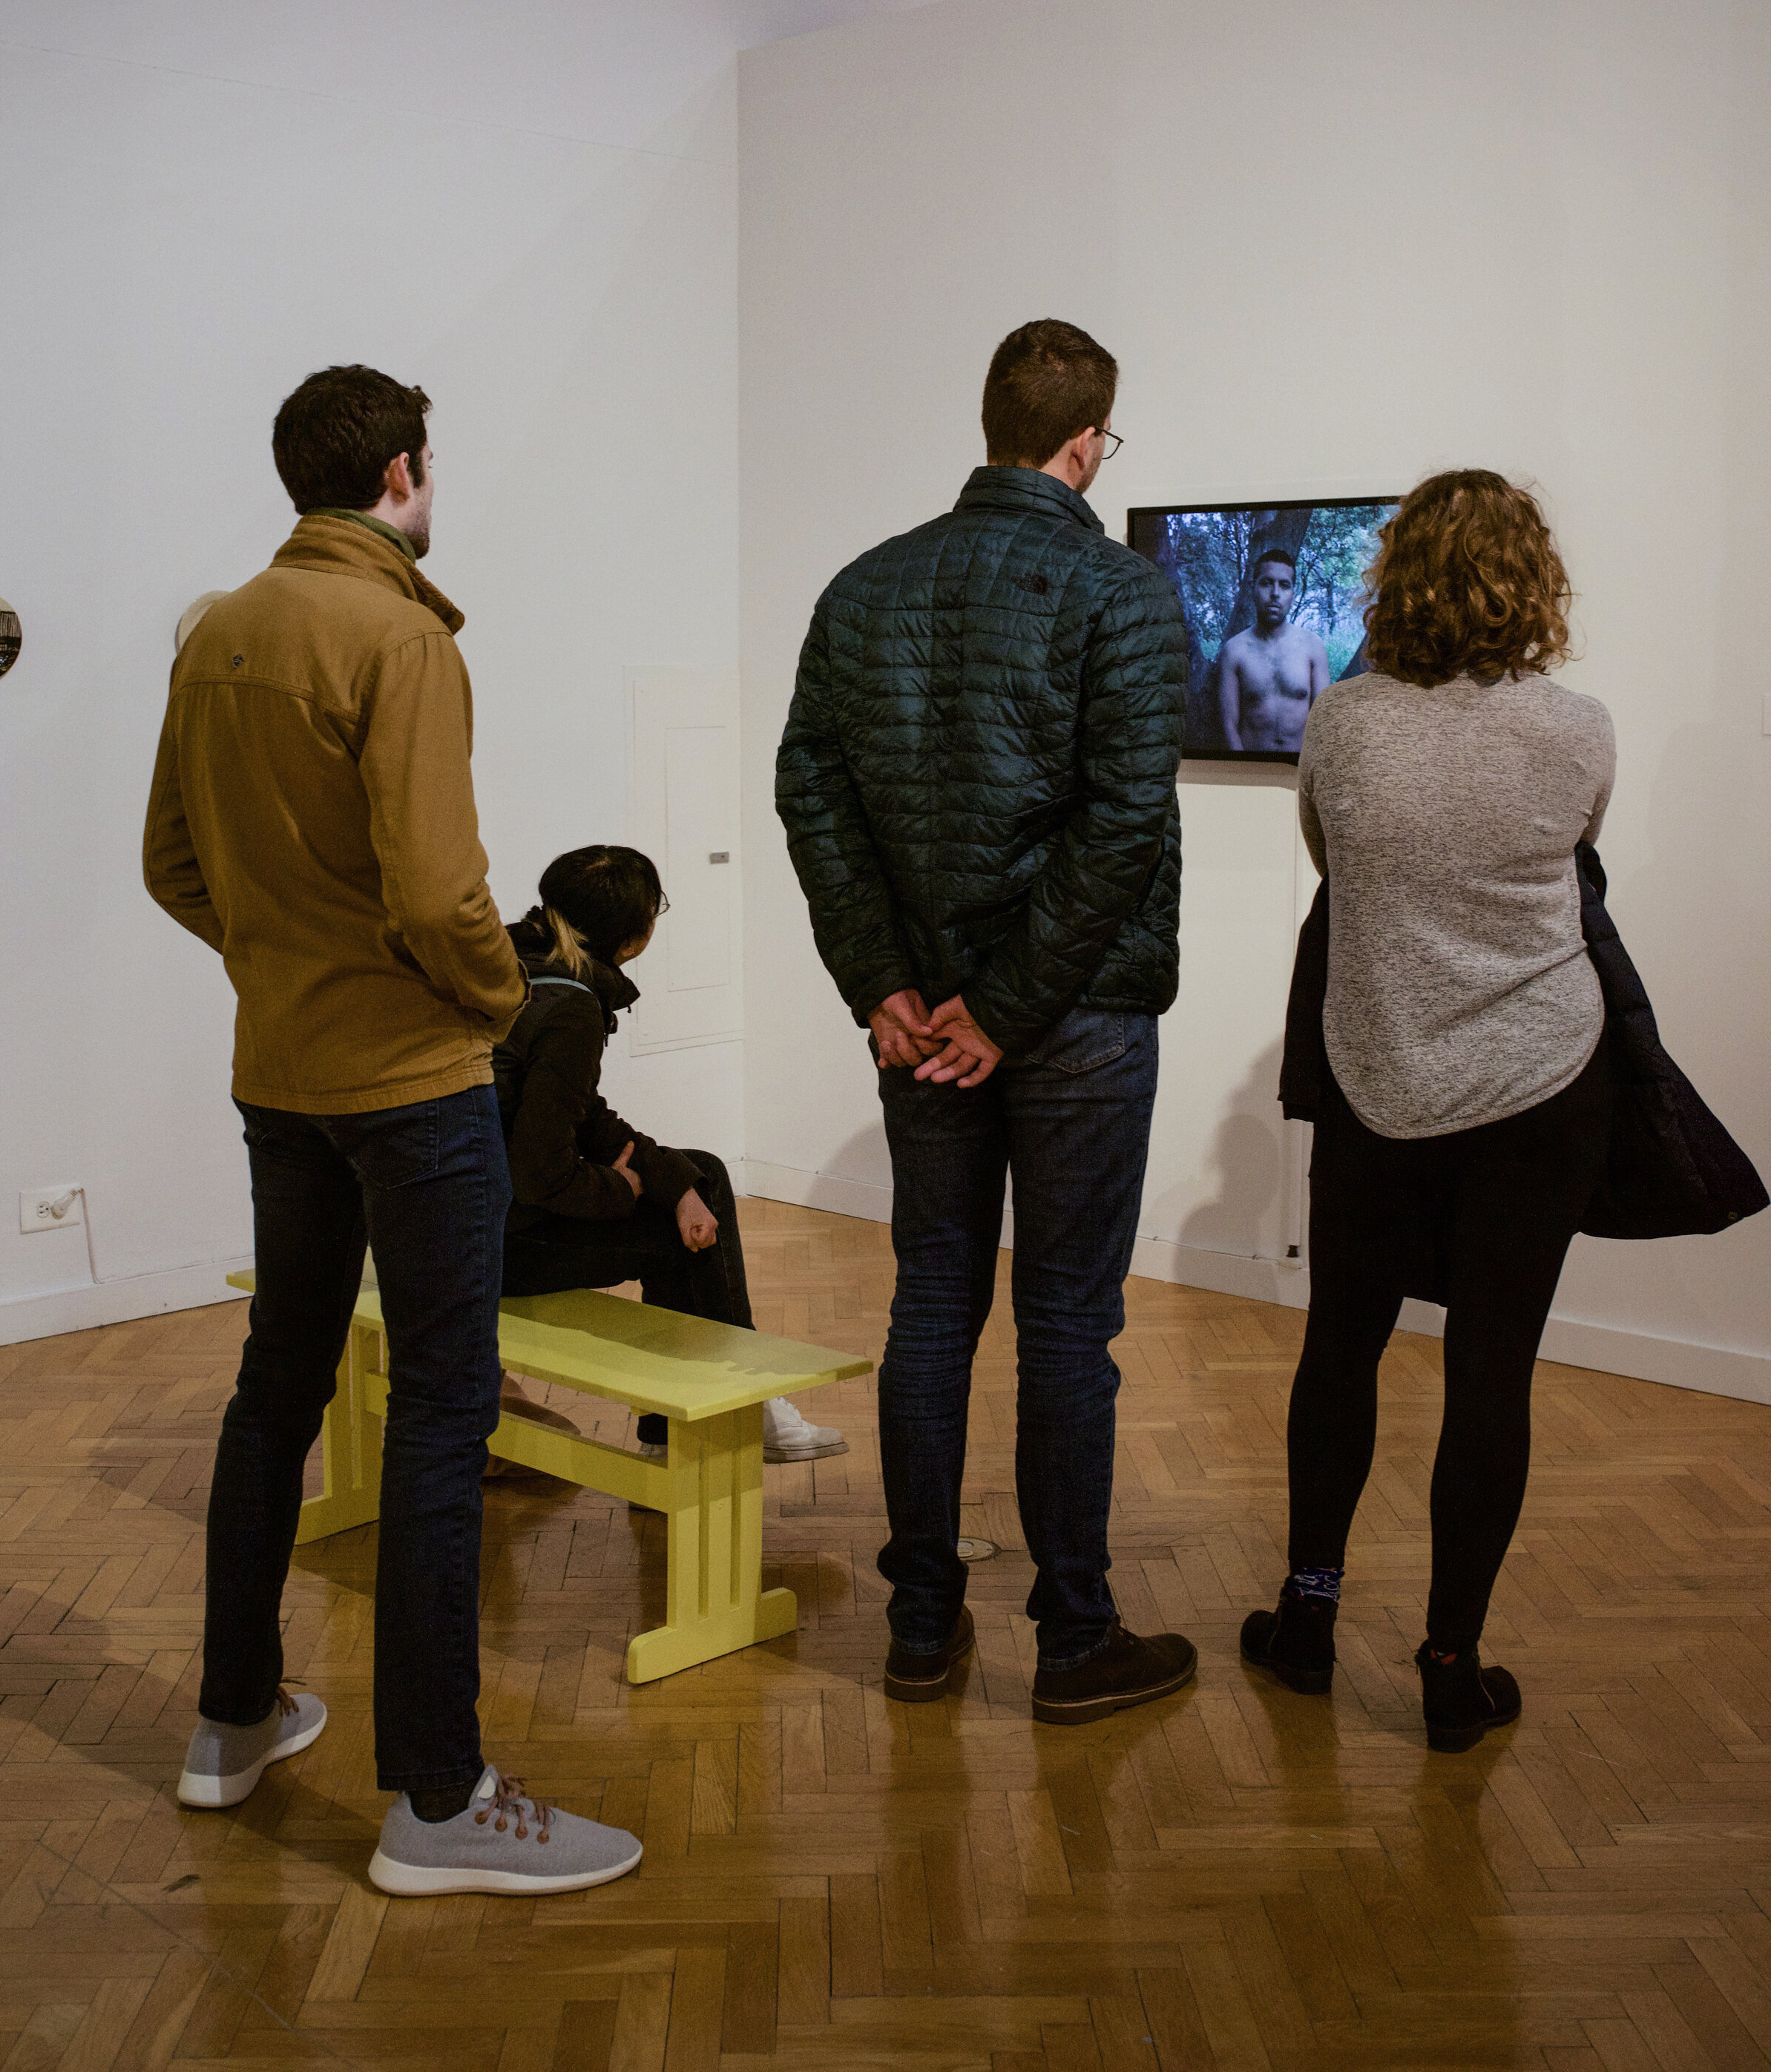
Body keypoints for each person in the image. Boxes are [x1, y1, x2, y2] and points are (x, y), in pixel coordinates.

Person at [144, 364, 642, 1897]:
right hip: (411, 1081)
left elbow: (169, 864)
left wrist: (284, 961)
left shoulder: (219, 626)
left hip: (277, 1070)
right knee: (442, 1408)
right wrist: (499, 1001)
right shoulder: (400, 632)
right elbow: (438, 898)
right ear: (405, 474)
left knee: (275, 1386)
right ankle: (437, 1795)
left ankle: (232, 1722)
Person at [777, 318, 1197, 1724]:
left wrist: (882, 979)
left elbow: (812, 792)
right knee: (1069, 1325)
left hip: (928, 1022)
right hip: (1069, 1018)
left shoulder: (863, 588)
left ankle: (919, 1624)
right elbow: (1124, 823)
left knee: (935, 1304)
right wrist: (1008, 1009)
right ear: (1088, 441)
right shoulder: (1121, 593)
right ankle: (1074, 1641)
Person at [1241, 469, 1617, 1752]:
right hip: (1539, 1089)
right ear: (1532, 577)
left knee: (1341, 1350)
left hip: (1377, 1080)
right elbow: (1573, 856)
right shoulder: (1581, 729)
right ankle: (1451, 1666)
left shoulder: (1343, 723)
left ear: (1396, 575)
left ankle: (1307, 1616)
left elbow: (1332, 866)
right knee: (1490, 1375)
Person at [493, 844, 847, 1464]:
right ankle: (735, 1404)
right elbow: (540, 1173)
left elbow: (578, 1113)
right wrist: (622, 1191)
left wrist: (669, 1180)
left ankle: (687, 1424)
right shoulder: (571, 1007)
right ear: (634, 935)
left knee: (699, 1174)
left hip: (454, 1218)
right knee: (686, 1227)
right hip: (497, 1247)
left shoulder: (515, 963)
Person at [1218, 548, 1328, 752]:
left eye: (1284, 585)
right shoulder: (1234, 650)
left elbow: (1323, 721)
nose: (1275, 593)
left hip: (1299, 769)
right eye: (1267, 583)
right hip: (1251, 769)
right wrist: (1243, 771)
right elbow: (1228, 725)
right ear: (1253, 589)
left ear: (1293, 594)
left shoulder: (1313, 646)